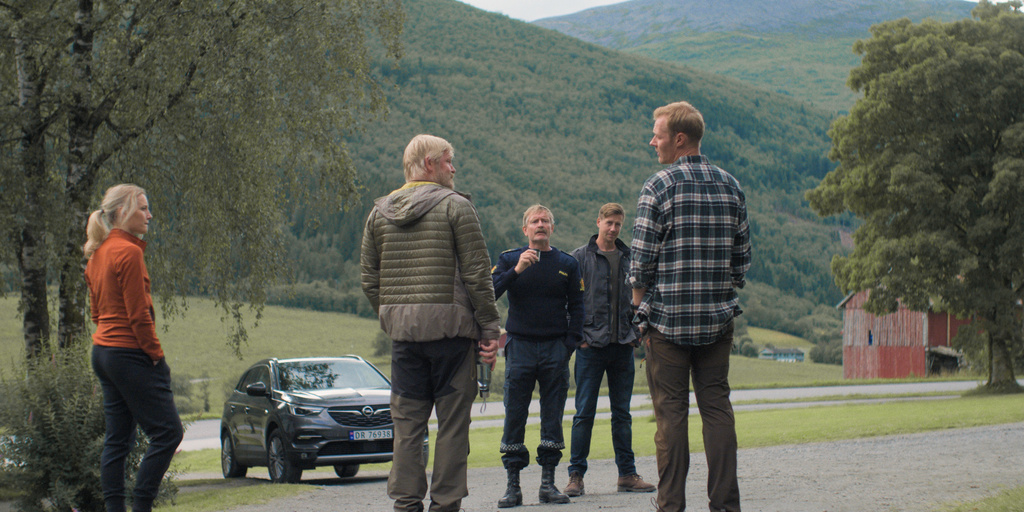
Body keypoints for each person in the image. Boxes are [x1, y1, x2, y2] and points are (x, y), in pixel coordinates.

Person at [360, 134, 500, 512]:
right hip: (452, 337)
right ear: (429, 164)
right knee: (452, 426)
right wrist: (490, 330)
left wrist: (394, 317)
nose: (453, 168)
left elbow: (369, 280)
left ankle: (406, 504)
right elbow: (477, 275)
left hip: (404, 340)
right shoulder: (457, 207)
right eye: (448, 161)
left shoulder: (378, 213)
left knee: (407, 427)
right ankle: (445, 505)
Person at [629, 101, 751, 512]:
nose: (653, 141)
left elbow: (640, 264)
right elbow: (742, 262)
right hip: (717, 321)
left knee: (671, 416)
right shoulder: (731, 186)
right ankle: (726, 505)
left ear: (679, 139)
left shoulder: (658, 186)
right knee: (717, 409)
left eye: (657, 135)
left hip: (667, 324)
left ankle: (671, 505)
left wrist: (640, 314)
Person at [85, 184, 184, 512]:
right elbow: (139, 315)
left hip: (103, 353)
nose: (149, 215)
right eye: (142, 208)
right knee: (168, 433)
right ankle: (142, 505)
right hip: (129, 353)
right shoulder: (128, 253)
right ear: (122, 213)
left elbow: (96, 314)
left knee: (117, 441)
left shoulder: (97, 253)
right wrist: (156, 356)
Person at [491, 204, 584, 508]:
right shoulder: (509, 259)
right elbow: (489, 292)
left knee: (553, 416)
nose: (540, 225)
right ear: (525, 229)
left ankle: (548, 484)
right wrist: (517, 270)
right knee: (514, 413)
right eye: (535, 221)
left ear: (552, 228)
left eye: (545, 221)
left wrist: (569, 344)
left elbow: (578, 307)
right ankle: (513, 486)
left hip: (555, 347)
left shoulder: (567, 263)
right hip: (520, 346)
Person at [565, 203, 656, 497]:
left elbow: (645, 294)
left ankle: (627, 475)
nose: (614, 229)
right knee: (584, 413)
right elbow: (567, 301)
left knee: (622, 414)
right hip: (590, 347)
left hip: (622, 346)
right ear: (599, 222)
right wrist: (578, 338)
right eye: (609, 223)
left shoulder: (631, 258)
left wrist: (637, 332)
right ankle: (575, 476)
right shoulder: (579, 257)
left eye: (618, 224)